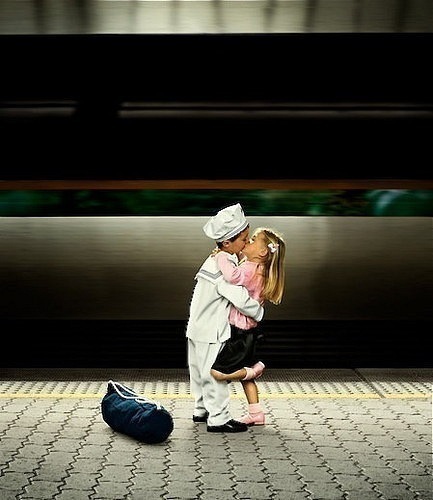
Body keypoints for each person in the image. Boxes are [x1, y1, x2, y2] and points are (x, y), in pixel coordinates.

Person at [186, 203, 265, 433]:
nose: (246, 244)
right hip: (212, 329)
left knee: (198, 372)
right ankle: (219, 418)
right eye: (244, 239)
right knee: (214, 375)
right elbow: (238, 296)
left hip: (196, 327)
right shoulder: (225, 264)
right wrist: (258, 312)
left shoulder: (213, 259)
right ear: (227, 243)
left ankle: (201, 410)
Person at [210, 227, 286, 426]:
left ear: (262, 252)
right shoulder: (260, 270)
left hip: (240, 332)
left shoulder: (251, 269)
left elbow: (232, 276)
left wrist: (222, 256)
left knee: (217, 373)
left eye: (252, 240)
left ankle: (254, 370)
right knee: (246, 379)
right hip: (251, 331)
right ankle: (256, 413)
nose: (247, 242)